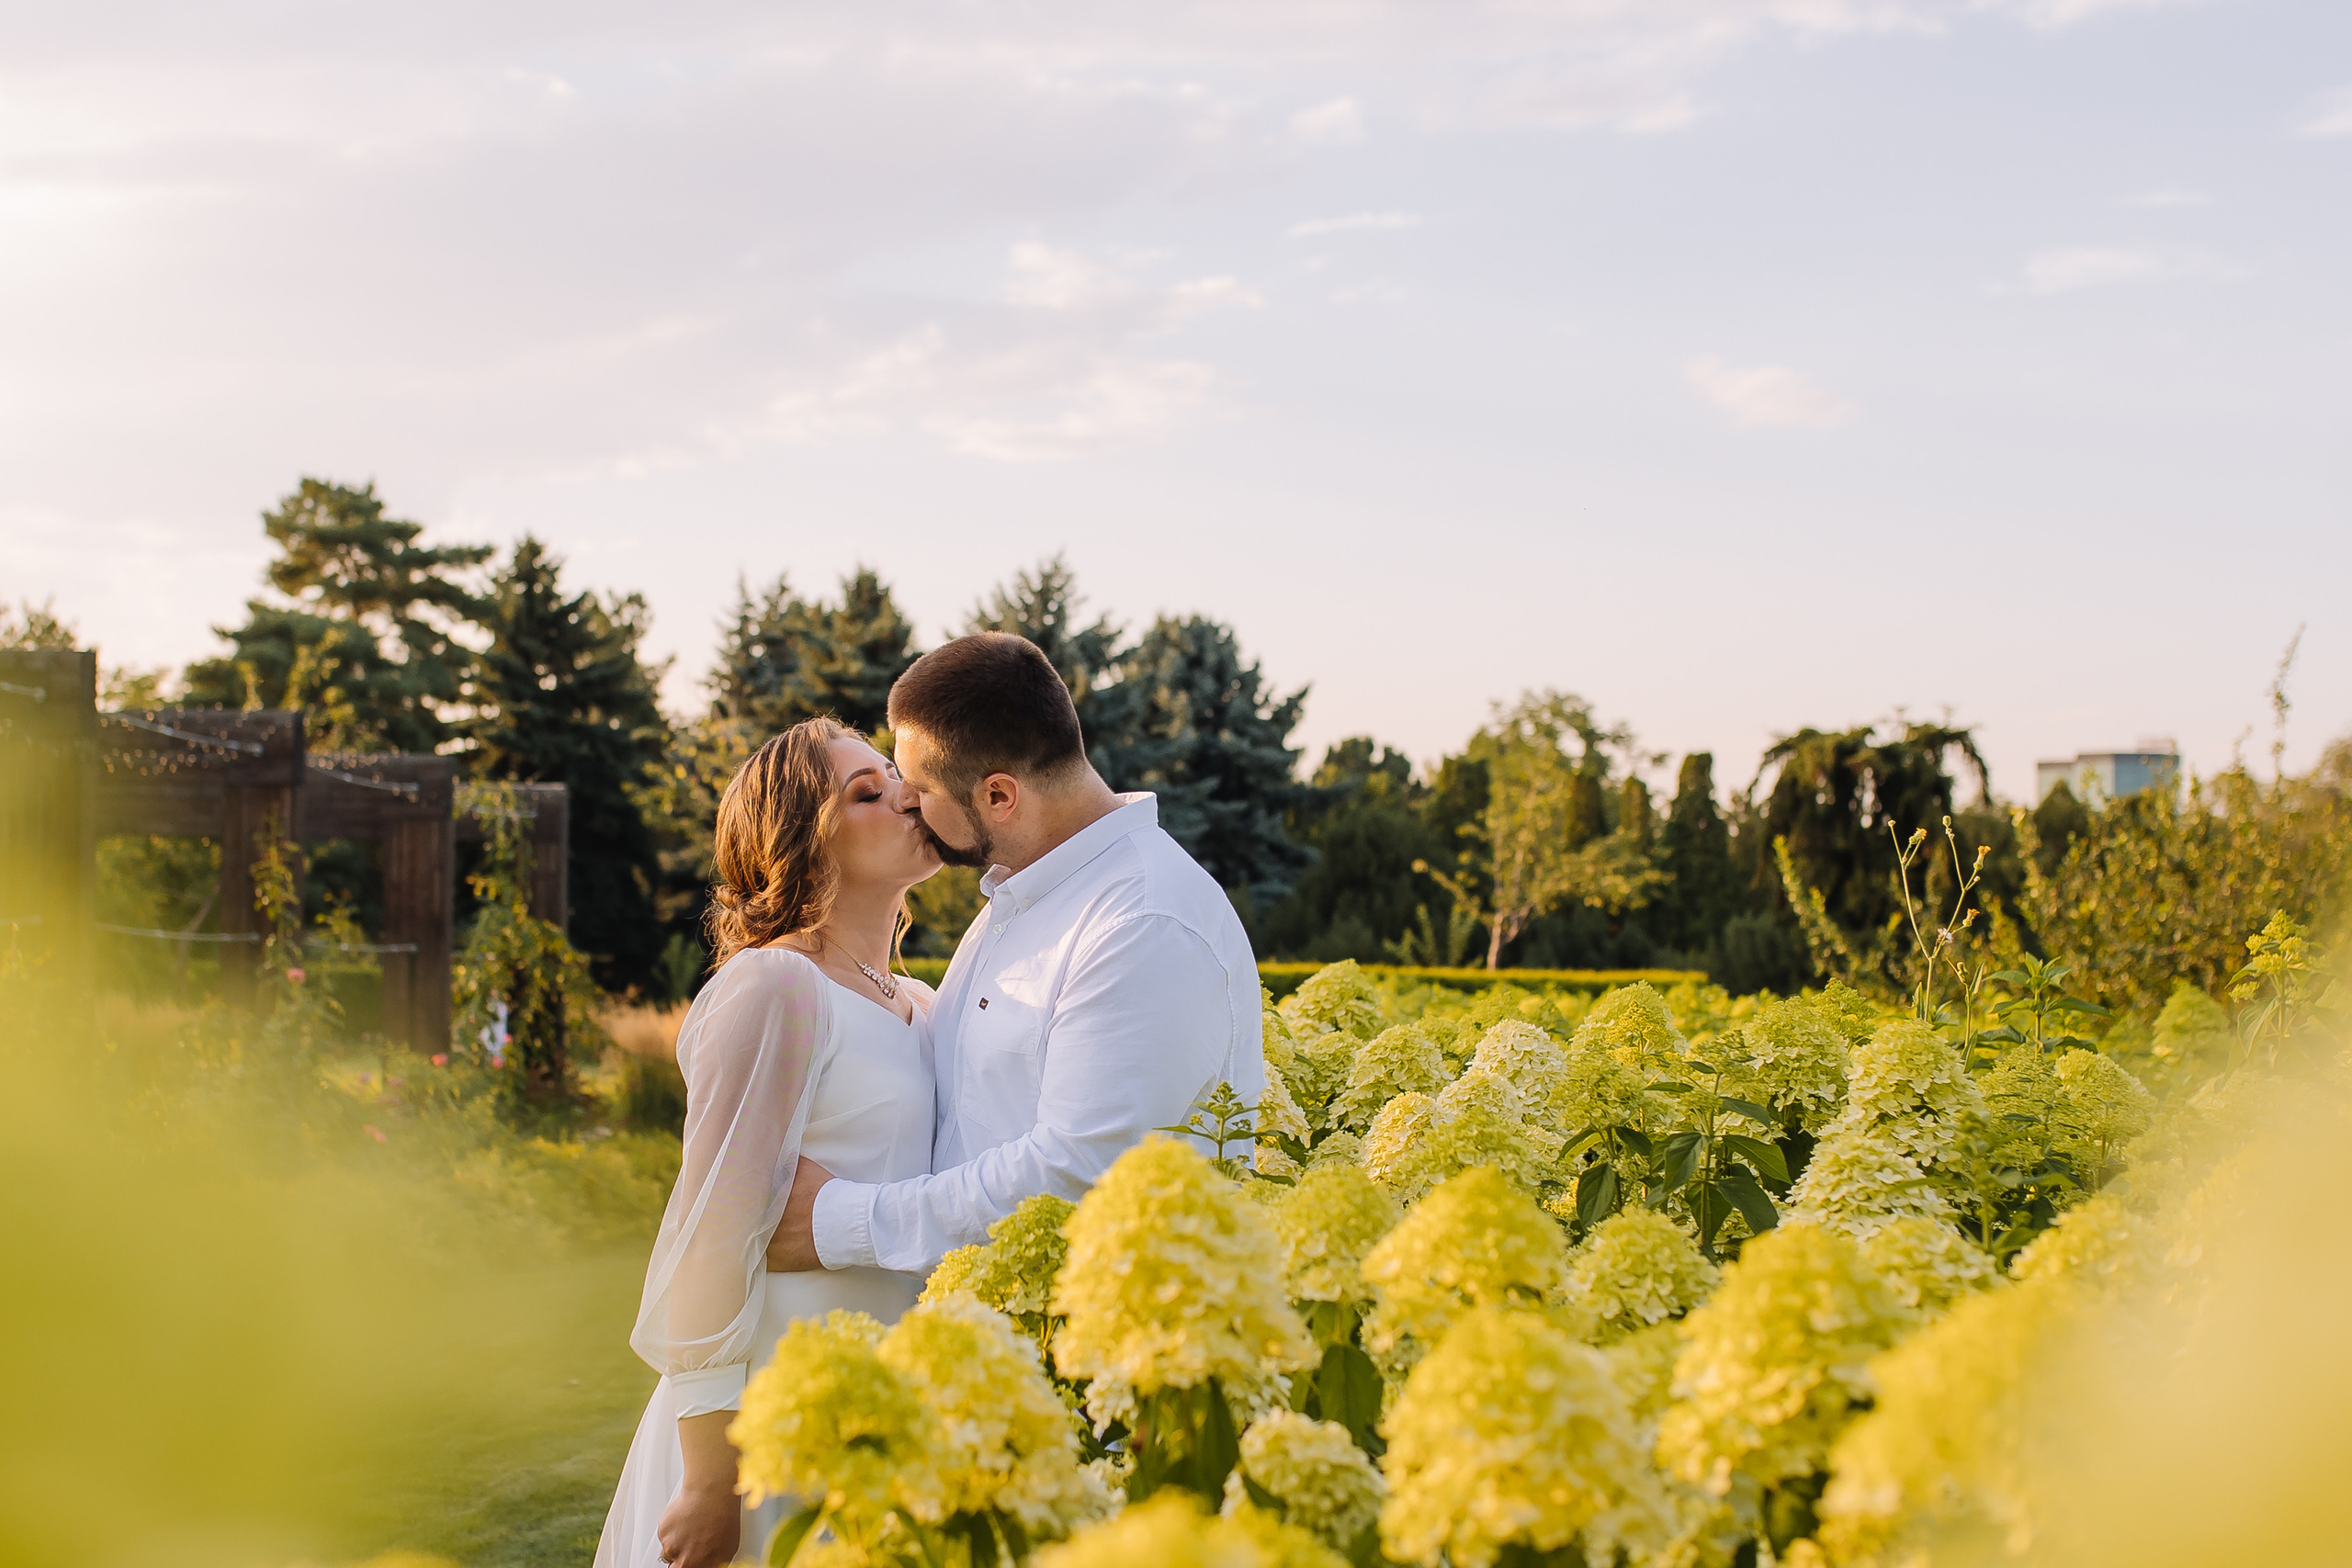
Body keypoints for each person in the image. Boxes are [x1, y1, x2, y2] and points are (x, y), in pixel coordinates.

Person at [764, 631, 1262, 1280]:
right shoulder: (1014, 902)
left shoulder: (1141, 920)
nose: (907, 802)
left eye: (917, 786)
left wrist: (839, 1221)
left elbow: (1080, 1174)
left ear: (999, 796)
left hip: (1091, 1354)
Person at [595, 718, 942, 1568]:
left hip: (892, 1400)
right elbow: (710, 1236)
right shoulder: (778, 985)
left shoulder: (925, 1002)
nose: (907, 793)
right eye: (866, 790)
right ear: (803, 841)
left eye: (895, 776)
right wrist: (713, 1478)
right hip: (774, 1419)